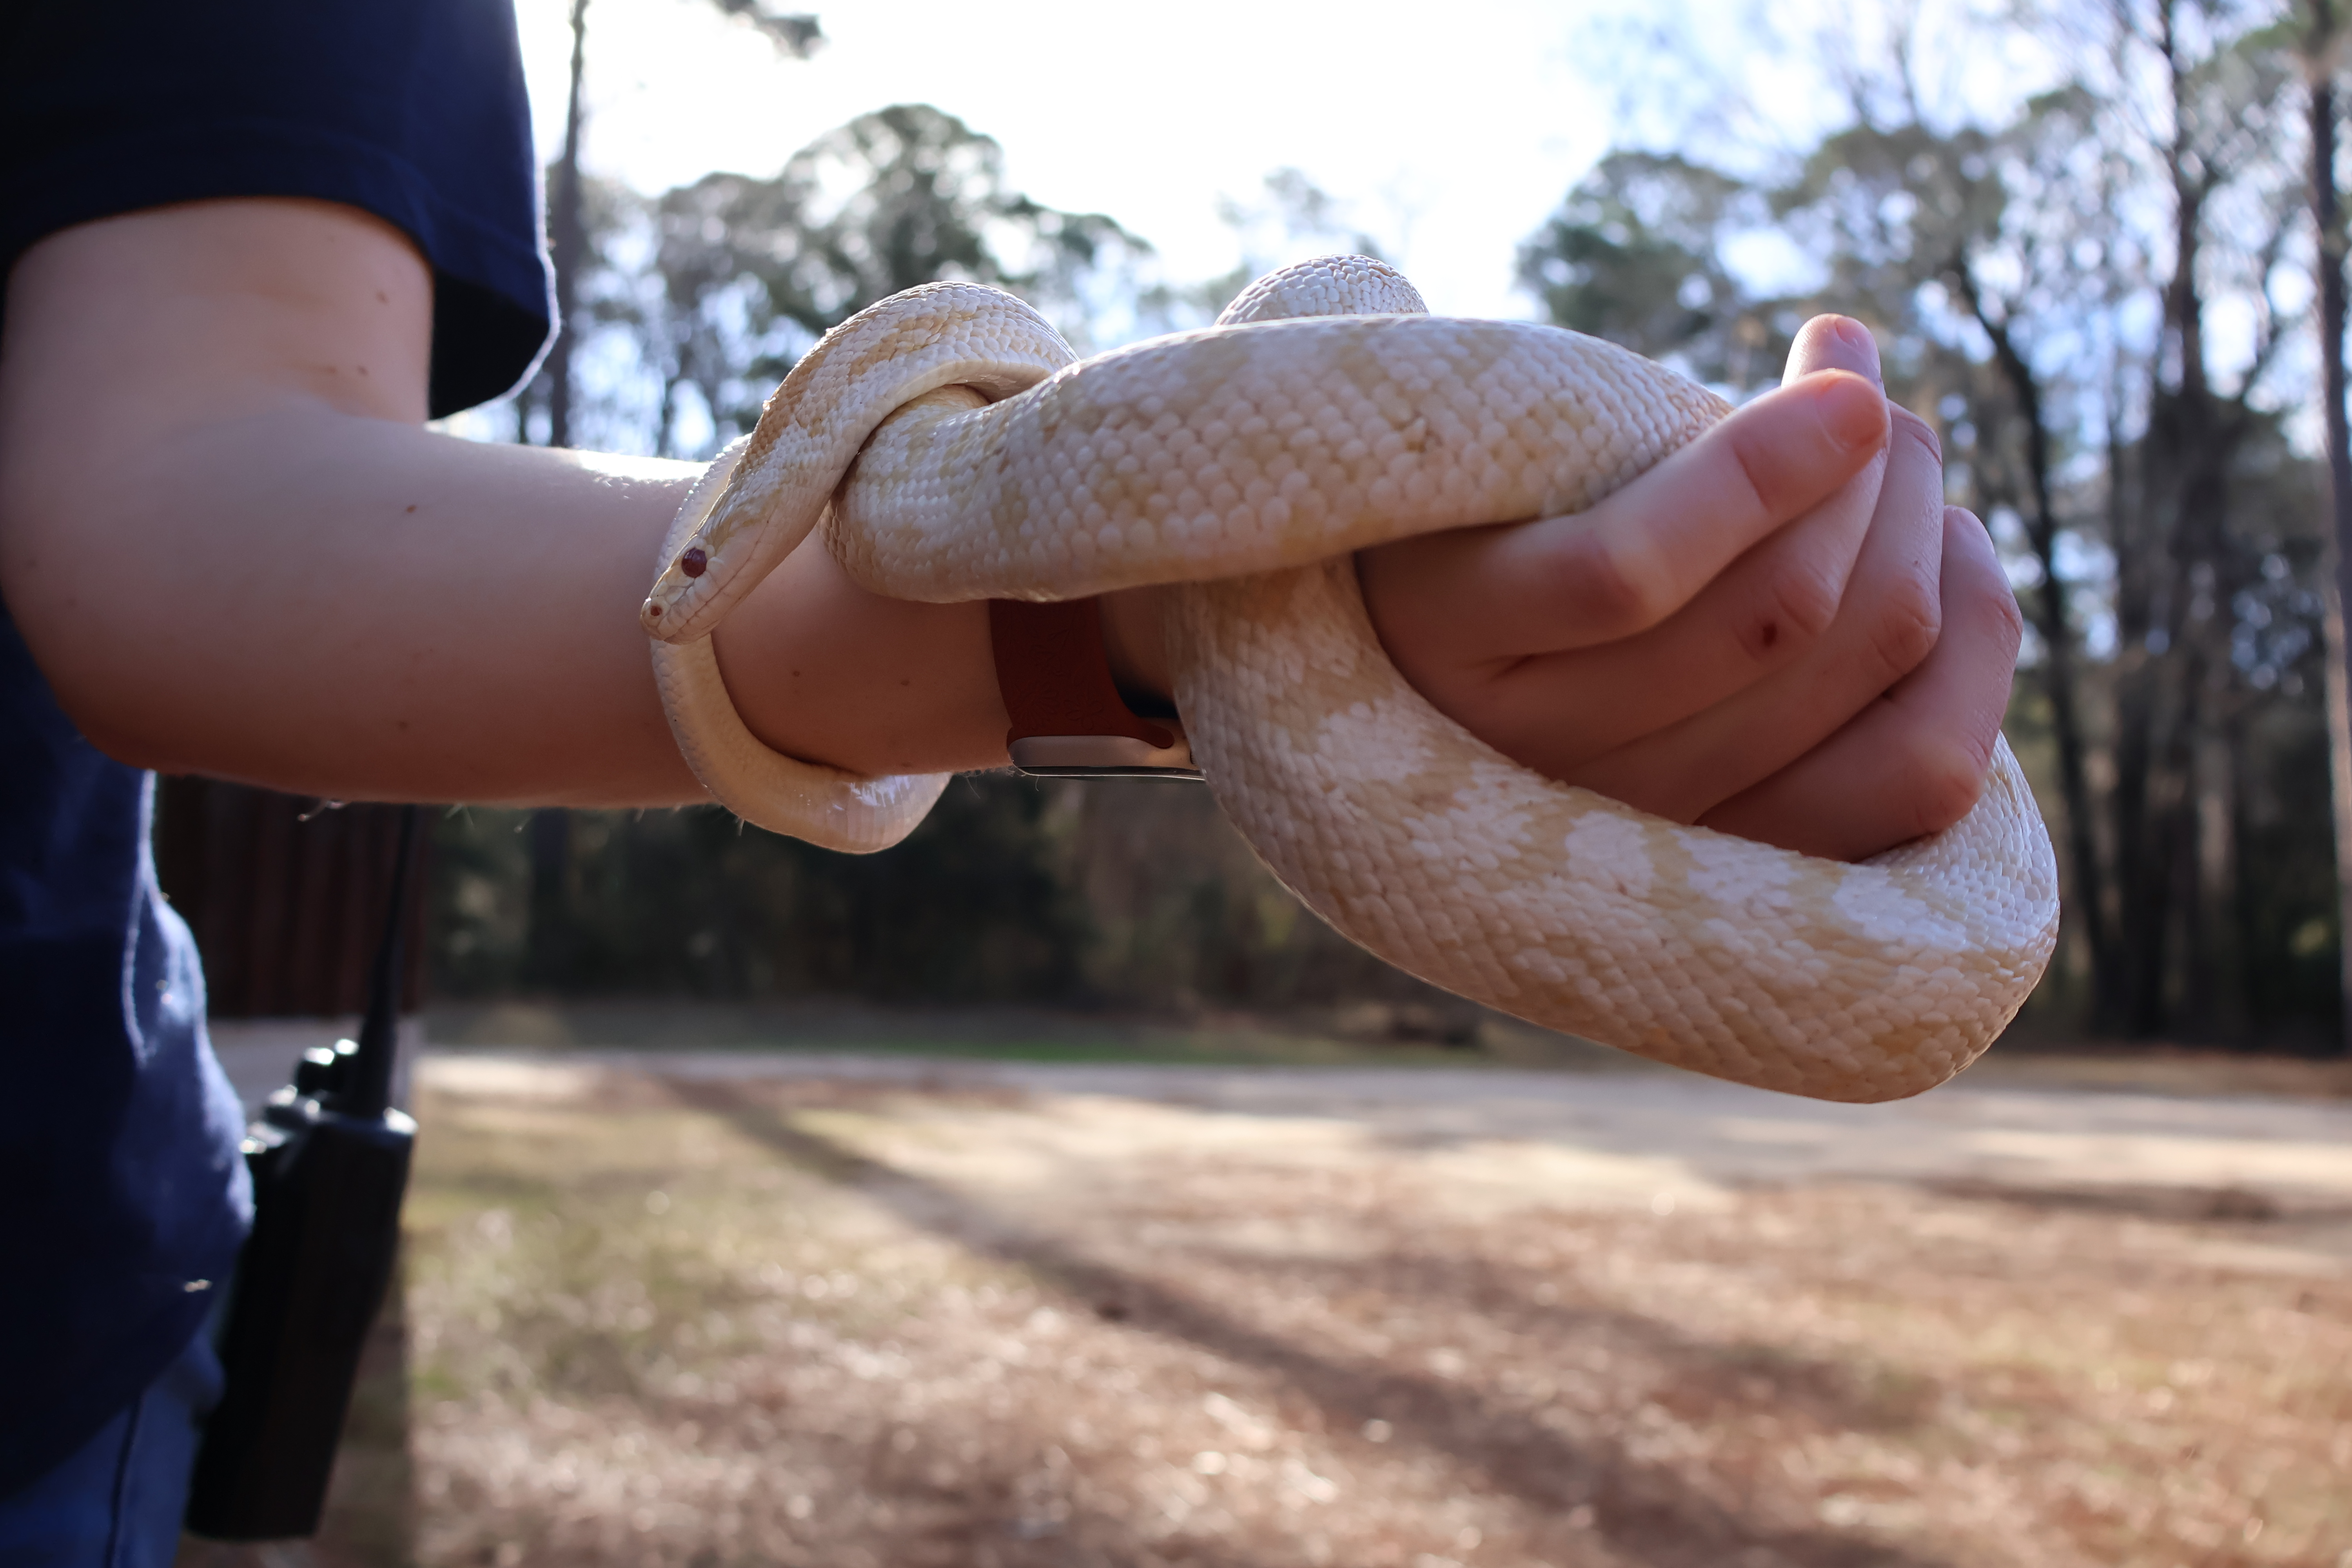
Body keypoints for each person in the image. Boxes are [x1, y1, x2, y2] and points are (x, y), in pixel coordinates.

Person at [0, 2, 2021, 1561]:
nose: (701, 590)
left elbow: (184, 499)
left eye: (718, 561)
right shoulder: (909, 426)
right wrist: (1186, 586)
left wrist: (1153, 594)